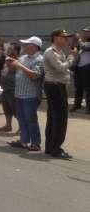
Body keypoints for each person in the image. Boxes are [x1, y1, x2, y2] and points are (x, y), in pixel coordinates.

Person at [43, 29, 77, 159]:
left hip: (56, 86)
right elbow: (60, 68)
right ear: (55, 38)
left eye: (66, 37)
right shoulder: (51, 52)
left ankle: (50, 146)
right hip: (55, 86)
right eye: (63, 37)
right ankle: (55, 148)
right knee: (60, 118)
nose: (66, 39)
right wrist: (72, 56)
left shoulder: (59, 51)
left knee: (53, 117)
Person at [6, 36, 44, 152]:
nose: (25, 46)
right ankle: (24, 141)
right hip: (19, 93)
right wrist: (10, 63)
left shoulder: (40, 59)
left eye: (27, 44)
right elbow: (15, 70)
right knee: (22, 119)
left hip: (31, 95)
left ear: (35, 46)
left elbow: (35, 75)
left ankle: (36, 143)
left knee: (30, 119)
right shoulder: (23, 58)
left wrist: (19, 65)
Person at [0, 44, 21, 132]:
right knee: (6, 108)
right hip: (4, 87)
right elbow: (3, 71)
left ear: (16, 51)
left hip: (12, 89)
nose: (9, 49)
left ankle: (21, 128)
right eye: (9, 48)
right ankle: (8, 126)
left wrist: (9, 62)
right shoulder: (7, 59)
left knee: (15, 109)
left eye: (11, 48)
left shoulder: (18, 60)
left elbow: (12, 70)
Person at [74, 27, 90, 114]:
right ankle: (77, 105)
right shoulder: (81, 42)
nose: (85, 33)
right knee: (78, 88)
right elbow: (74, 49)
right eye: (84, 32)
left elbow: (85, 47)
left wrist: (79, 39)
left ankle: (88, 107)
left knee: (88, 88)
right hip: (78, 67)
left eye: (87, 32)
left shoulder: (83, 43)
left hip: (87, 67)